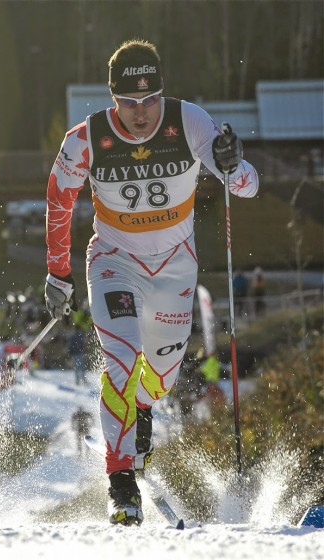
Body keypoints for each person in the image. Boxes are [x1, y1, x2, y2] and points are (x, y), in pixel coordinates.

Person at [44, 39, 259, 526]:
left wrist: (232, 162)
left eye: (150, 99)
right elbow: (59, 199)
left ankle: (139, 408)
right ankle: (120, 481)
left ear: (162, 93)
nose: (141, 113)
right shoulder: (85, 138)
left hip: (175, 267)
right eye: (129, 102)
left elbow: (248, 186)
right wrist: (58, 272)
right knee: (122, 358)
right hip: (115, 262)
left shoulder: (190, 122)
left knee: (159, 379)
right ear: (111, 97)